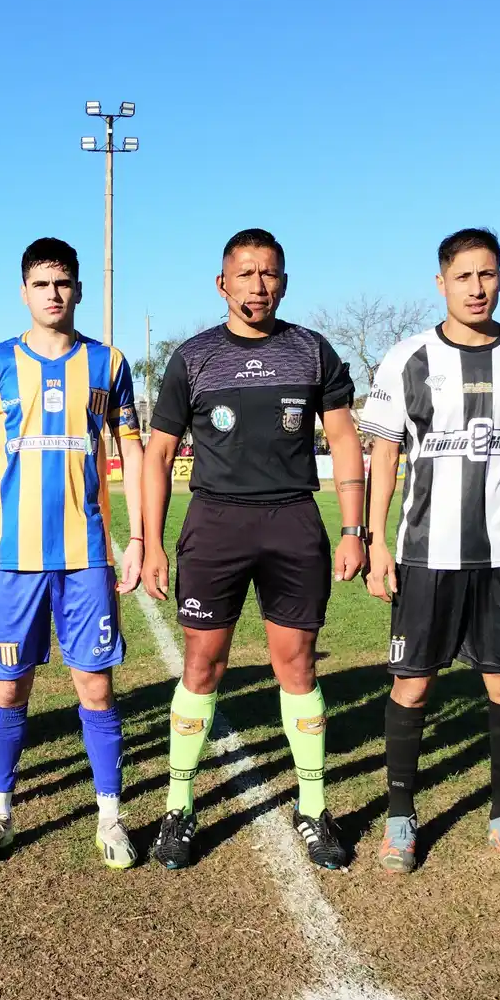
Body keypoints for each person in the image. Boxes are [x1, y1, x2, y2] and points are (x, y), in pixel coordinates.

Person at [142, 228, 366, 871]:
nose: (258, 285)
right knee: (202, 666)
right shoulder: (194, 358)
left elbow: (346, 439)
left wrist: (353, 529)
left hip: (294, 523)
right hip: (215, 526)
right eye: (245, 274)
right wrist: (149, 542)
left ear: (285, 282)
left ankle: (314, 809)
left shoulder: (312, 351)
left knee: (296, 665)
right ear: (222, 284)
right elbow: (158, 453)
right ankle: (178, 808)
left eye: (269, 274)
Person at [360, 227, 500, 875]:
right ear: (441, 281)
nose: (478, 287)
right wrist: (374, 543)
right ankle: (400, 817)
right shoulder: (406, 359)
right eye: (465, 276)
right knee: (413, 686)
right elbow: (383, 456)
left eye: (489, 274)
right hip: (425, 555)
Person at [0, 238, 144, 868]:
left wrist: (139, 538)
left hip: (87, 556)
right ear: (24, 292)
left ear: (79, 290)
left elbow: (134, 451)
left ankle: (111, 817)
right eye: (41, 284)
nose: (53, 294)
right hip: (13, 559)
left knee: (95, 686)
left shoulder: (109, 362)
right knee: (10, 689)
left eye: (63, 283)